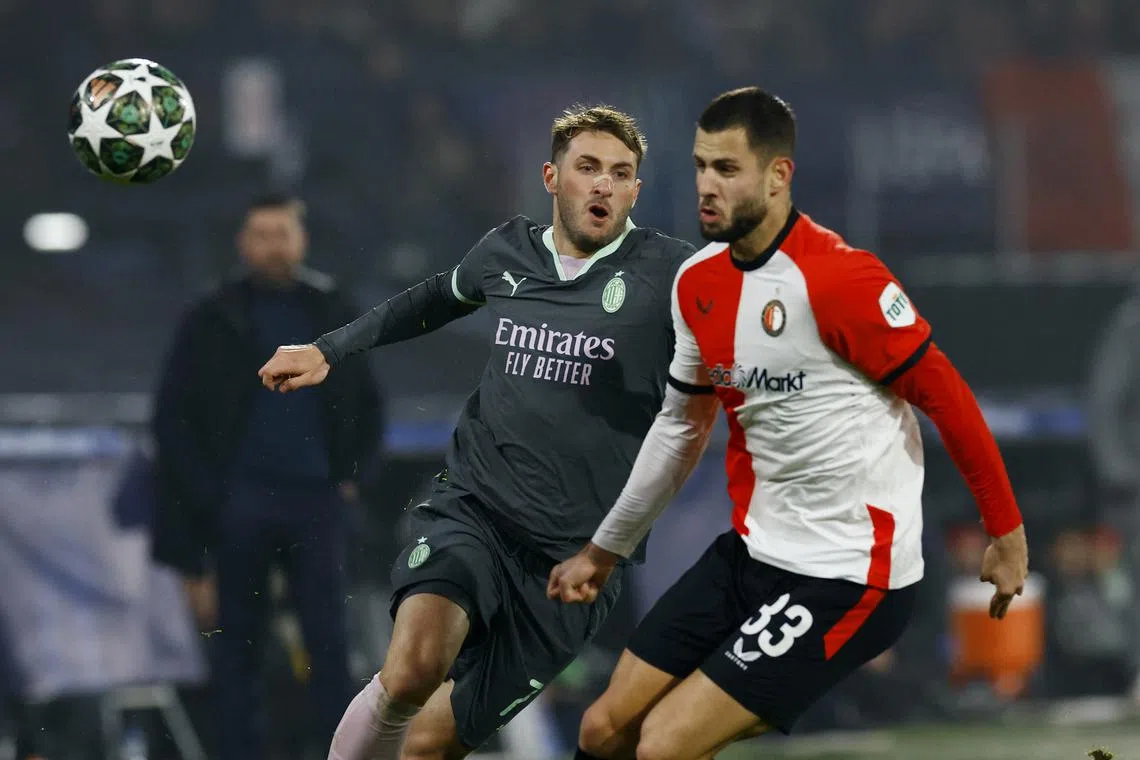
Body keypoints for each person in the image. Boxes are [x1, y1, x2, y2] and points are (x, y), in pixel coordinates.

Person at [547, 87, 1031, 760]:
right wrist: (606, 549)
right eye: (699, 166)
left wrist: (1005, 532)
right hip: (751, 555)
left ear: (778, 176)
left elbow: (949, 401)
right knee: (603, 731)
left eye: (726, 169)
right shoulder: (698, 285)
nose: (705, 187)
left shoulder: (841, 281)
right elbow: (681, 430)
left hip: (850, 576)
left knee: (662, 745)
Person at [257, 105, 695, 760]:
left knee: (430, 745)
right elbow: (433, 299)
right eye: (588, 167)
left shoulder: (674, 275)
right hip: (476, 514)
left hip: (572, 565)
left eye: (620, 173)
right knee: (410, 671)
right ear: (552, 177)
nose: (603, 184)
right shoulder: (508, 250)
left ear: (635, 189)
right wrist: (330, 349)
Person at [152, 194, 384, 760]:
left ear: (300, 239)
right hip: (242, 502)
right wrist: (211, 495)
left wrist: (351, 474)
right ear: (242, 242)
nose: (273, 246)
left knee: (329, 645)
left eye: (282, 233)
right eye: (262, 234)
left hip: (315, 500)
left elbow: (368, 402)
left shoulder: (332, 307)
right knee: (240, 650)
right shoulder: (212, 316)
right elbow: (173, 415)